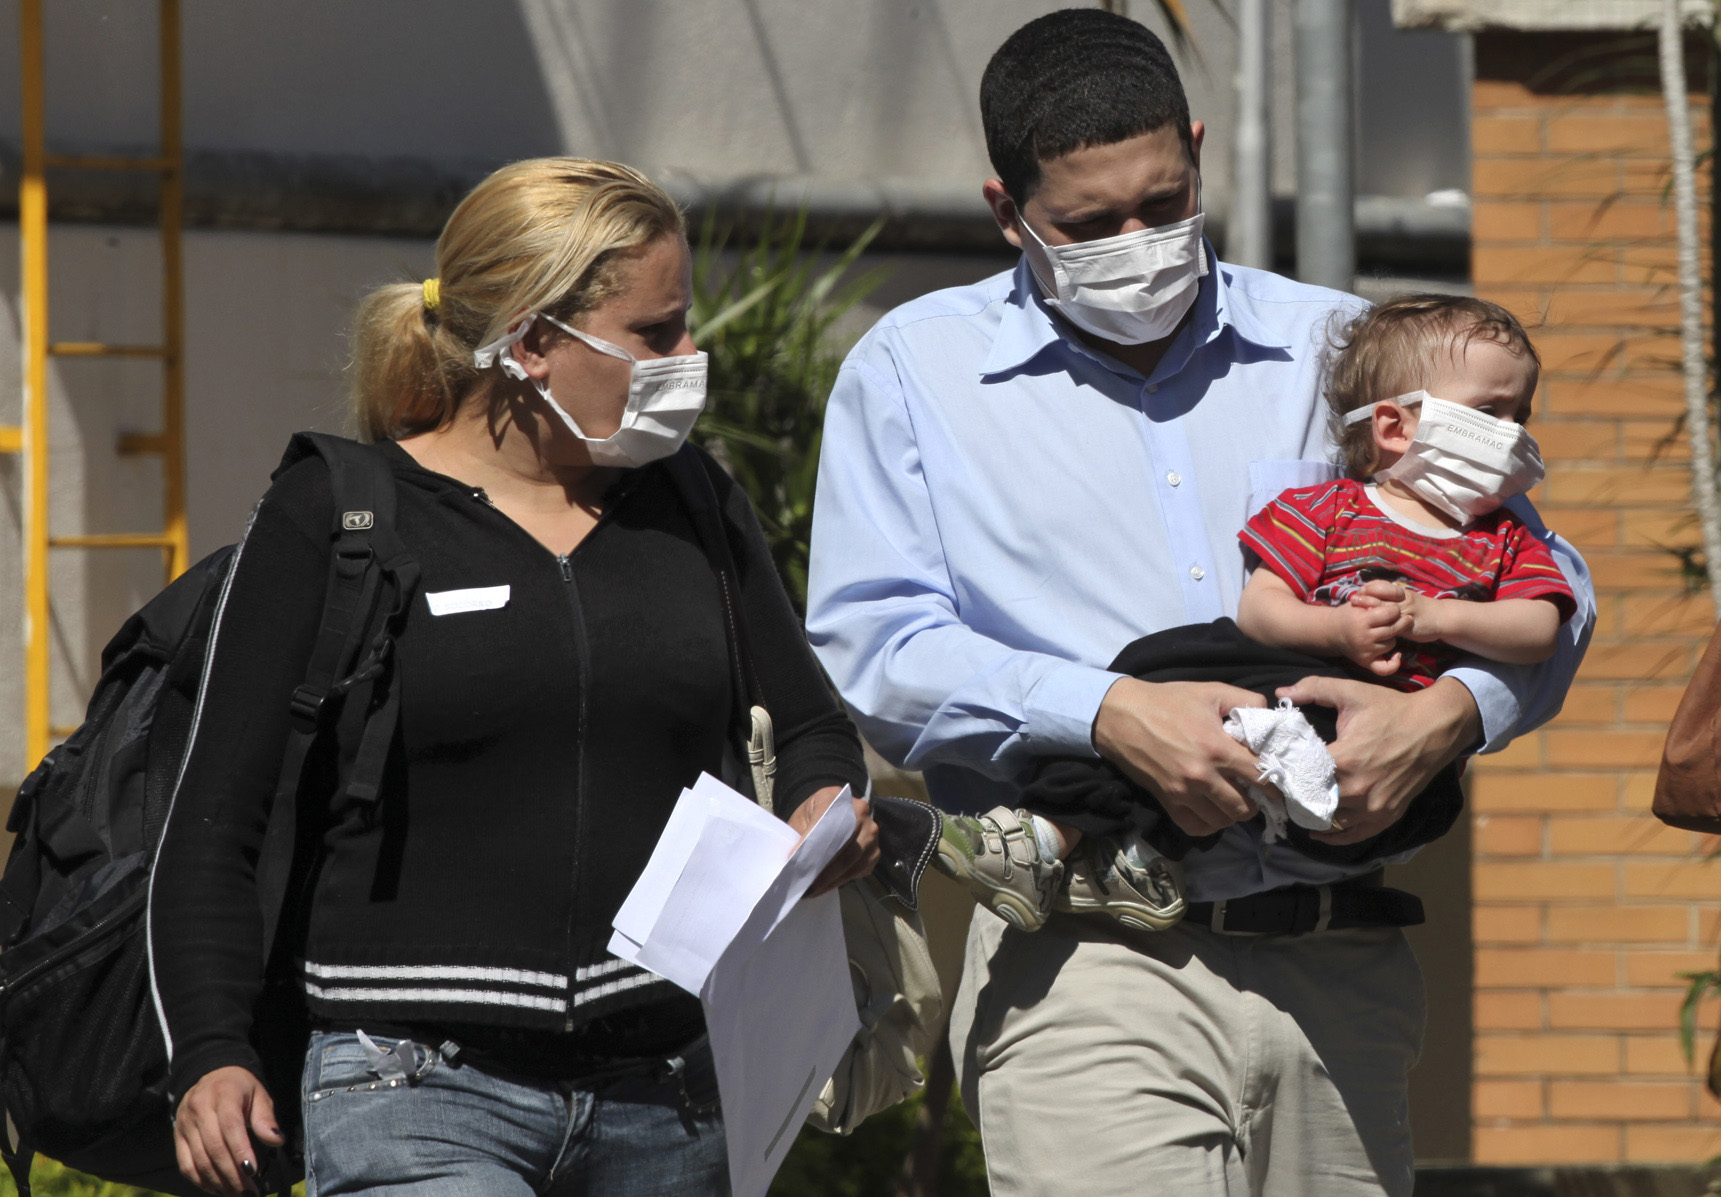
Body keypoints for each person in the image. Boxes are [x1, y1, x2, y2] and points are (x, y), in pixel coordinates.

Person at [806, 10, 1595, 1196]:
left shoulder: (1333, 343)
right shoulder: (913, 371)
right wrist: (1108, 711)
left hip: (1341, 958)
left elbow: (1547, 574)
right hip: (1088, 965)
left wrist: (1452, 714)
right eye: (1088, 223)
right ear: (1003, 209)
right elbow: (876, 643)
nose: (1137, 240)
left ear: (1197, 149)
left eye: (1163, 204)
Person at [152, 157, 882, 1197]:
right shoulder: (342, 514)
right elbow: (215, 819)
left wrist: (824, 797)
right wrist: (210, 1050)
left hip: (674, 1101)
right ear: (534, 345)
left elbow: (809, 720)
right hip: (412, 1090)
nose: (691, 356)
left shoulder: (695, 503)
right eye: (656, 333)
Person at [929, 294, 1580, 936]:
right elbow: (1260, 609)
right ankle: (1055, 841)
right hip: (1281, 697)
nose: (1515, 436)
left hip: (1378, 765)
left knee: (1292, 748)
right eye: (1490, 412)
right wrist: (1338, 630)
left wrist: (1433, 619)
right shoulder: (1325, 508)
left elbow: (1537, 629)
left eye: (1520, 414)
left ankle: (1121, 847)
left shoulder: (1505, 539)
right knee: (1160, 668)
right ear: (1392, 427)